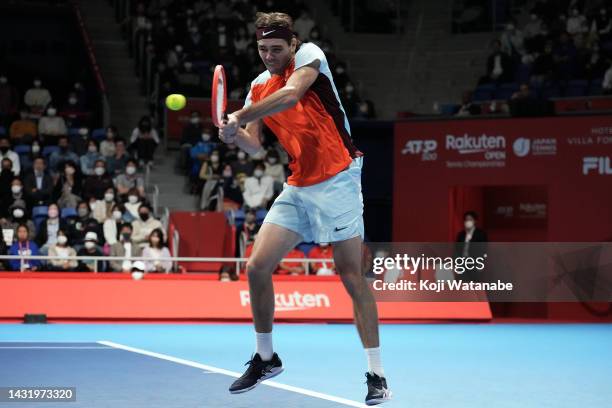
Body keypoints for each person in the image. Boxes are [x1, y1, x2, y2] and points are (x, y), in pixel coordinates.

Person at [219, 12, 390, 404]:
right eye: (262, 49)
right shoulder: (259, 86)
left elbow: (293, 94)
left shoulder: (310, 56)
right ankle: (266, 358)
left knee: (350, 274)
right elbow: (255, 144)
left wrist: (240, 116)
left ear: (292, 44)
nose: (269, 56)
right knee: (257, 266)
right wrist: (232, 135)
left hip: (339, 178)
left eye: (276, 49)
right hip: (298, 185)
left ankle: (377, 374)